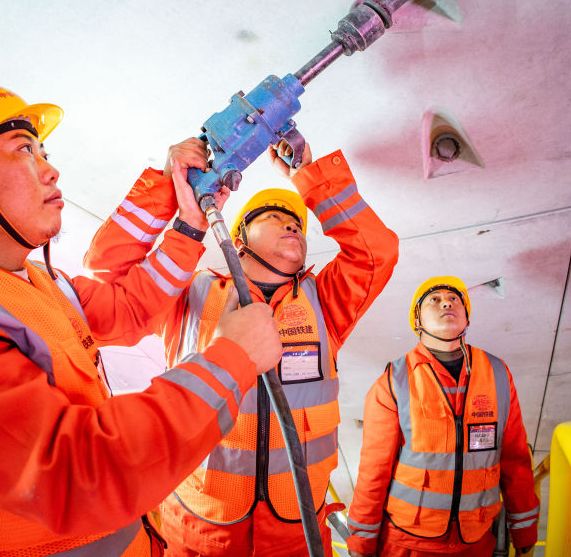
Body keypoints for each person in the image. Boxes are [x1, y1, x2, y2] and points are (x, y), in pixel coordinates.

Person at [0, 78, 283, 557]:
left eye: (44, 152)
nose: (52, 170)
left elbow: (129, 308)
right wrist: (232, 360)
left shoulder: (38, 283)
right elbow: (78, 474)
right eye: (26, 151)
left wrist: (187, 223)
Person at [84, 137, 400, 556]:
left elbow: (378, 251)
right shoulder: (190, 294)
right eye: (275, 216)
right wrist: (168, 187)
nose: (292, 225)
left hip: (298, 531)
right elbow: (107, 279)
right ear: (240, 237)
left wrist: (310, 177)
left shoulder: (325, 301)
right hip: (201, 532)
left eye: (297, 224)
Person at [346, 277, 539, 557]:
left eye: (455, 299)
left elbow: (514, 458)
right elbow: (374, 471)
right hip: (407, 544)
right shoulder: (394, 381)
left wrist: (524, 528)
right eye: (434, 300)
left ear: (466, 318)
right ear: (417, 319)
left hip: (476, 541)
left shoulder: (497, 374)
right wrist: (362, 541)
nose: (446, 302)